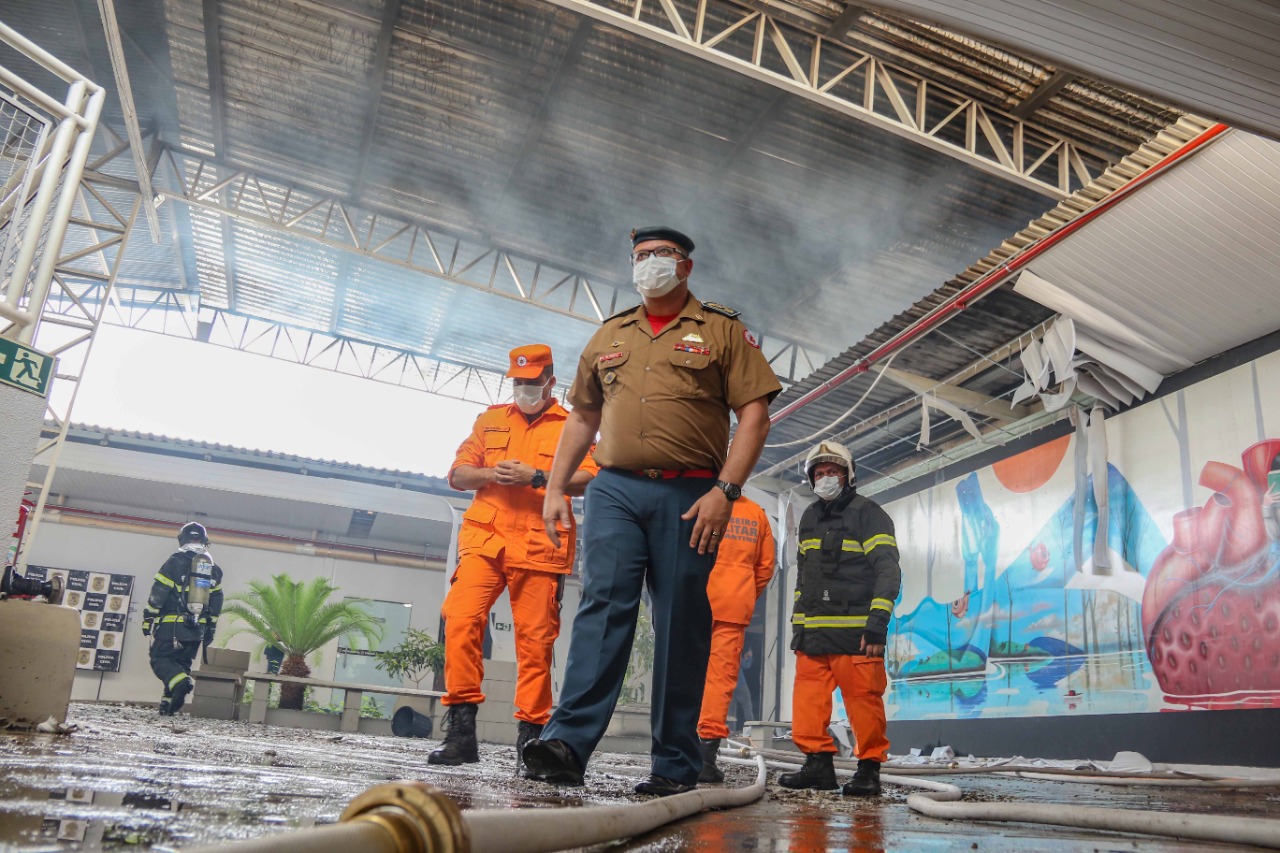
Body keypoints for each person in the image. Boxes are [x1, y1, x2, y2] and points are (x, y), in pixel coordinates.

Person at [523, 225, 782, 796]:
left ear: (686, 267)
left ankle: (674, 765)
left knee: (681, 623)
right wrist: (555, 488)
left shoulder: (722, 330)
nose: (649, 264)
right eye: (640, 256)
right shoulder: (610, 334)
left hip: (691, 495)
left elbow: (755, 417)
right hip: (614, 488)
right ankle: (566, 744)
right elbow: (583, 418)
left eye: (661, 255)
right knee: (602, 607)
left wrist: (727, 491)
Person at [431, 344, 599, 772]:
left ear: (550, 382)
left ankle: (531, 742)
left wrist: (540, 477)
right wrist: (492, 474)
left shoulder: (572, 425)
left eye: (532, 382)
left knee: (535, 645)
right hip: (485, 542)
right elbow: (457, 473)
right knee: (461, 618)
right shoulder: (489, 421)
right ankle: (461, 734)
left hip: (541, 546)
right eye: (518, 382)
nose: (524, 388)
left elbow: (593, 476)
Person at [780, 440, 901, 797]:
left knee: (864, 703)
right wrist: (798, 627)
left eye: (832, 471)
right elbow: (804, 580)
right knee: (806, 704)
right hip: (814, 636)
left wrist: (878, 621)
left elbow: (887, 570)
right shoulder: (809, 517)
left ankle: (868, 771)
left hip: (857, 635)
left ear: (848, 476)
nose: (825, 478)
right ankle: (818, 766)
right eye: (819, 473)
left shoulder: (869, 513)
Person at [697, 495, 776, 783]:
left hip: (693, 601)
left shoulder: (696, 501)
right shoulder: (756, 514)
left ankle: (675, 751)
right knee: (720, 681)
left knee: (684, 676)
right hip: (732, 607)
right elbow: (765, 567)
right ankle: (705, 758)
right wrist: (742, 593)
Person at [141, 522, 223, 716]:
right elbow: (217, 600)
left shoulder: (174, 562)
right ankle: (167, 706)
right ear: (204, 541)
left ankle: (182, 685)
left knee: (160, 659)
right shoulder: (213, 569)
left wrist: (148, 618)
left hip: (172, 625)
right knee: (180, 665)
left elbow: (158, 593)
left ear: (182, 539)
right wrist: (210, 628)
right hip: (197, 629)